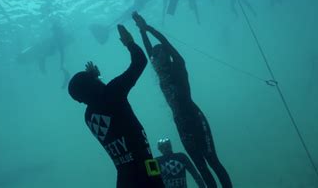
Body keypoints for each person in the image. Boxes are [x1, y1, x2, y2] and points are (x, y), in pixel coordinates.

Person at [133, 12, 232, 188]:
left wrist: (148, 28)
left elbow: (167, 44)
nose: (155, 58)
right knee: (202, 167)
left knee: (213, 162)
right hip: (182, 125)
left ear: (166, 55)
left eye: (159, 55)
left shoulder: (177, 66)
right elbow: (150, 52)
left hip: (195, 118)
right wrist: (141, 32)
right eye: (154, 57)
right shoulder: (160, 72)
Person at [68, 24, 165, 188]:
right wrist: (129, 42)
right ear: (92, 84)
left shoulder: (89, 116)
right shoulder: (112, 93)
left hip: (125, 178)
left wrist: (94, 79)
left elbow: (106, 105)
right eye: (92, 79)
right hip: (148, 169)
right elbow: (140, 61)